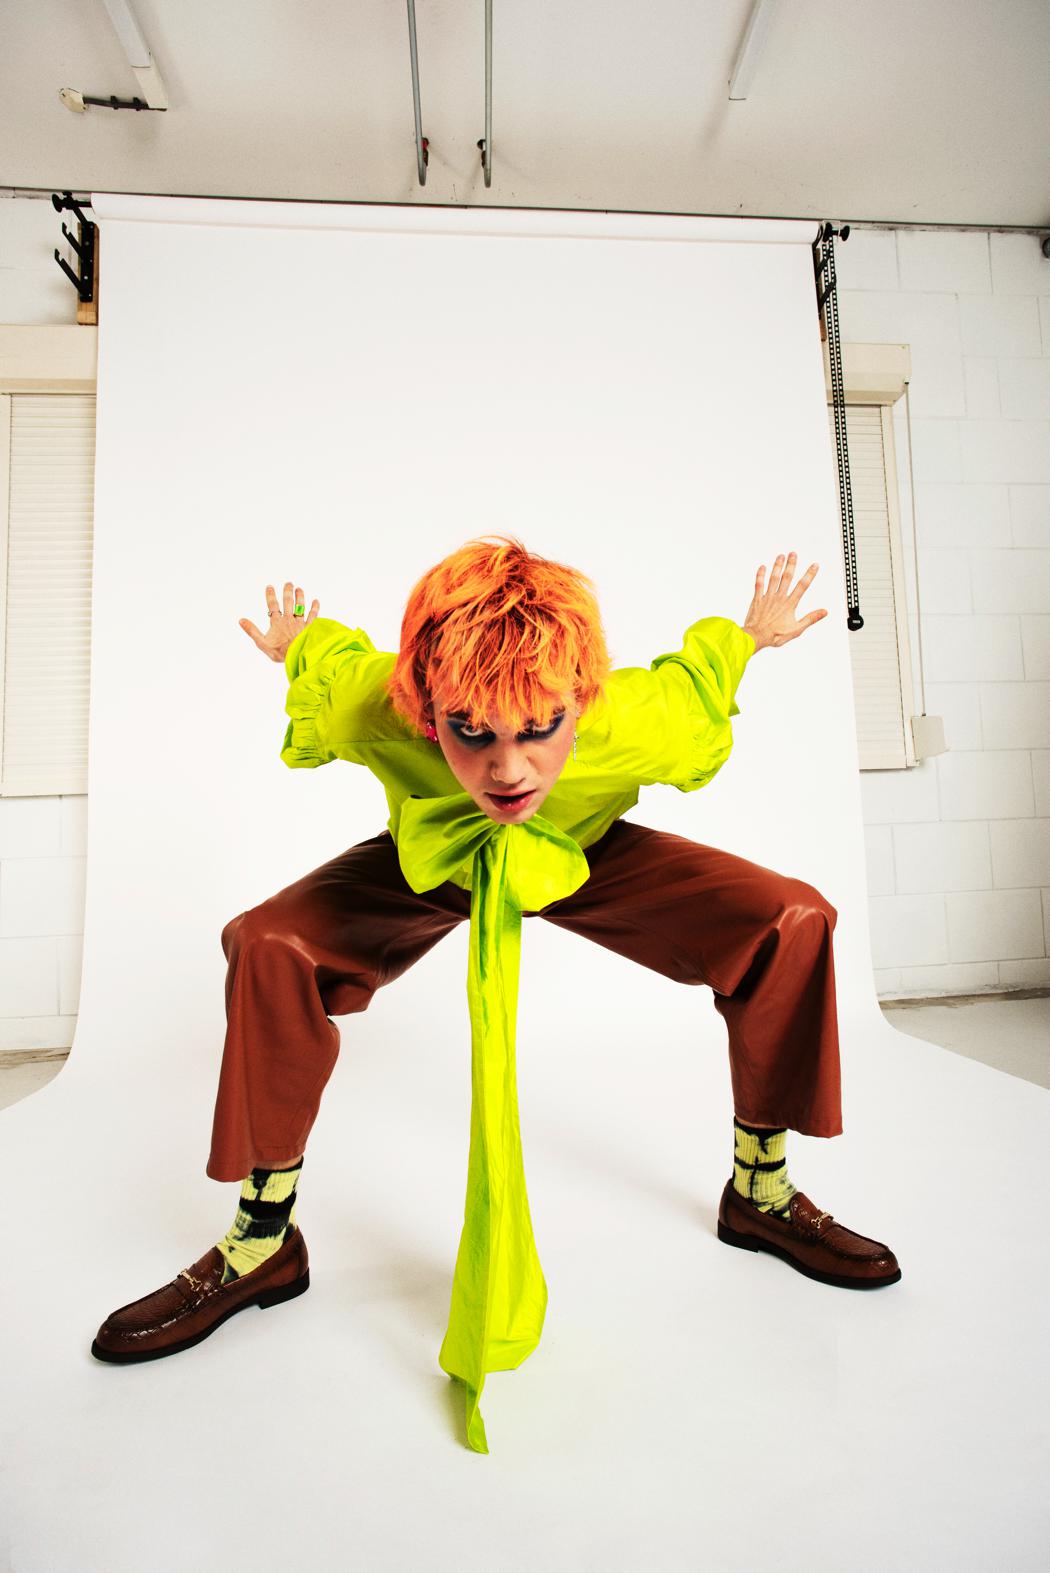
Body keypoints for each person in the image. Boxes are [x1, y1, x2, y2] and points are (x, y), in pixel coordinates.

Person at [91, 533, 900, 1453]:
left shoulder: (634, 720)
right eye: (471, 732)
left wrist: (749, 633)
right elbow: (335, 657)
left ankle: (760, 1190)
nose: (508, 771)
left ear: (580, 703)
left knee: (792, 917)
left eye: (538, 730)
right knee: (267, 941)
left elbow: (697, 676)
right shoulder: (377, 707)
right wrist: (294, 644)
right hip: (437, 864)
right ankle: (261, 1240)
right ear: (425, 710)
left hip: (581, 855)